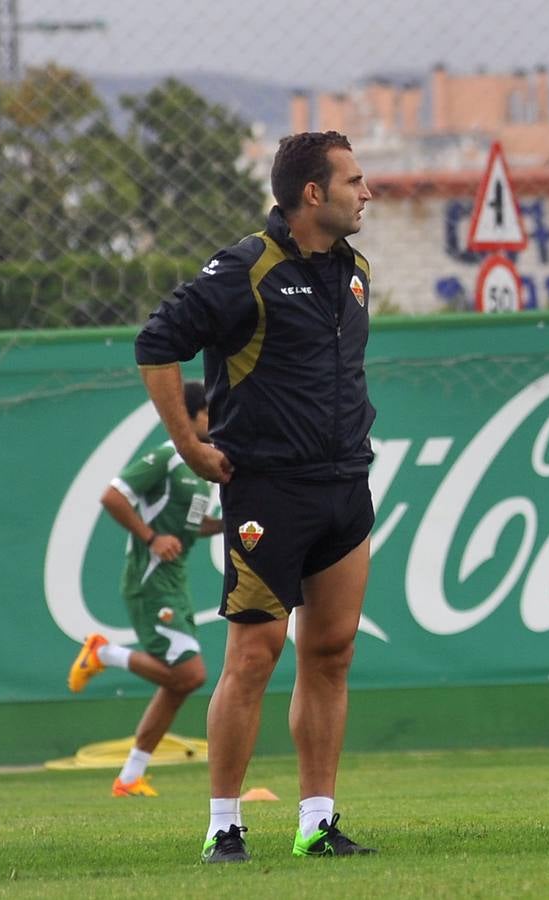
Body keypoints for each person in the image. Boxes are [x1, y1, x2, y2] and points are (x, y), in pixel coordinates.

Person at [133, 131, 378, 864]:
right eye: (354, 181)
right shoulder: (245, 268)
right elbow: (156, 343)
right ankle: (224, 826)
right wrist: (188, 443)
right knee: (254, 656)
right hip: (268, 491)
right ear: (313, 194)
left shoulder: (355, 269)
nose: (366, 193)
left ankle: (317, 821)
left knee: (330, 653)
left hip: (344, 487)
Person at [66, 380, 221, 797]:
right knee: (190, 675)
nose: (215, 419)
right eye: (208, 411)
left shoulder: (202, 469)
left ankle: (130, 777)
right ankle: (103, 653)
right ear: (189, 416)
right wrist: (151, 537)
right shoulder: (168, 457)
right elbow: (112, 496)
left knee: (179, 684)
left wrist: (227, 525)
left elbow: (195, 524)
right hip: (151, 580)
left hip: (176, 579)